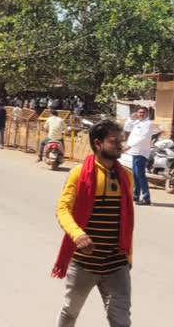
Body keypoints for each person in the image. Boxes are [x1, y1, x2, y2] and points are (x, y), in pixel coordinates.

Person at [54, 119, 134, 327]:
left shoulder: (126, 176)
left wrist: (128, 257)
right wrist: (78, 234)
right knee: (70, 313)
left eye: (120, 141)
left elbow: (125, 220)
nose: (119, 146)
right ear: (98, 144)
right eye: (113, 141)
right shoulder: (79, 174)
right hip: (84, 263)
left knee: (121, 321)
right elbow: (63, 209)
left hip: (116, 263)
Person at [123, 106, 154, 206]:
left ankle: (146, 198)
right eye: (139, 112)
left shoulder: (148, 124)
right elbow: (126, 128)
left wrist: (129, 146)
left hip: (141, 152)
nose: (141, 114)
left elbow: (143, 138)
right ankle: (136, 195)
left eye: (143, 113)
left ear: (147, 114)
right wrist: (131, 118)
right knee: (135, 175)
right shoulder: (138, 122)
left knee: (140, 175)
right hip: (134, 152)